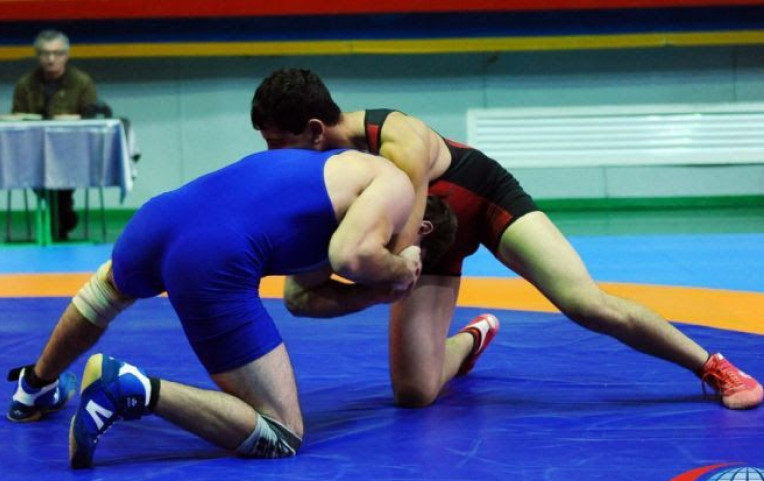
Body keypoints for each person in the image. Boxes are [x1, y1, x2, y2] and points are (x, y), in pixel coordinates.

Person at [250, 68, 763, 411]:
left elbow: (403, 242)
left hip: (480, 199)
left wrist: (377, 278)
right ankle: (471, 339)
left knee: (585, 303)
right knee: (414, 393)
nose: (272, 156)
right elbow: (313, 284)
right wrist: (349, 286)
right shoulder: (321, 168)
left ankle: (713, 368)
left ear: (315, 129)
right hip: (428, 235)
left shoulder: (397, 138)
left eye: (277, 142)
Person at [6, 147, 457, 468]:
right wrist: (400, 271)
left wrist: (373, 294)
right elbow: (351, 257)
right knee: (282, 433)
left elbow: (301, 298)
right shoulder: (395, 190)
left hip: (161, 217)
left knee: (105, 294)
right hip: (213, 255)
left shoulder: (342, 174)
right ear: (422, 229)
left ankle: (35, 386)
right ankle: (131, 389)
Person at [12, 30, 97, 241]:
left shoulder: (82, 82)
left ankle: (61, 217)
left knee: (61, 184)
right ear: (38, 56)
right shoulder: (25, 84)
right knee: (42, 180)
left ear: (66, 55)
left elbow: (92, 117)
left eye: (57, 54)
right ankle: (63, 217)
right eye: (45, 53)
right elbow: (16, 119)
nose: (51, 59)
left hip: (72, 153)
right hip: (33, 154)